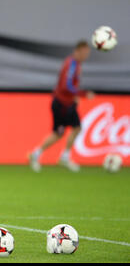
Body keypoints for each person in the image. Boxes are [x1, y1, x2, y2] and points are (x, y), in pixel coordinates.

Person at [29, 40, 94, 172]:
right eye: (85, 52)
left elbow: (70, 86)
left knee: (77, 128)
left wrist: (74, 96)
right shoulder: (72, 64)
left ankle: (64, 156)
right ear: (78, 51)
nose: (86, 55)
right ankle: (36, 154)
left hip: (68, 103)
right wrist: (82, 93)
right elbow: (66, 86)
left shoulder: (76, 64)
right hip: (61, 104)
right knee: (58, 133)